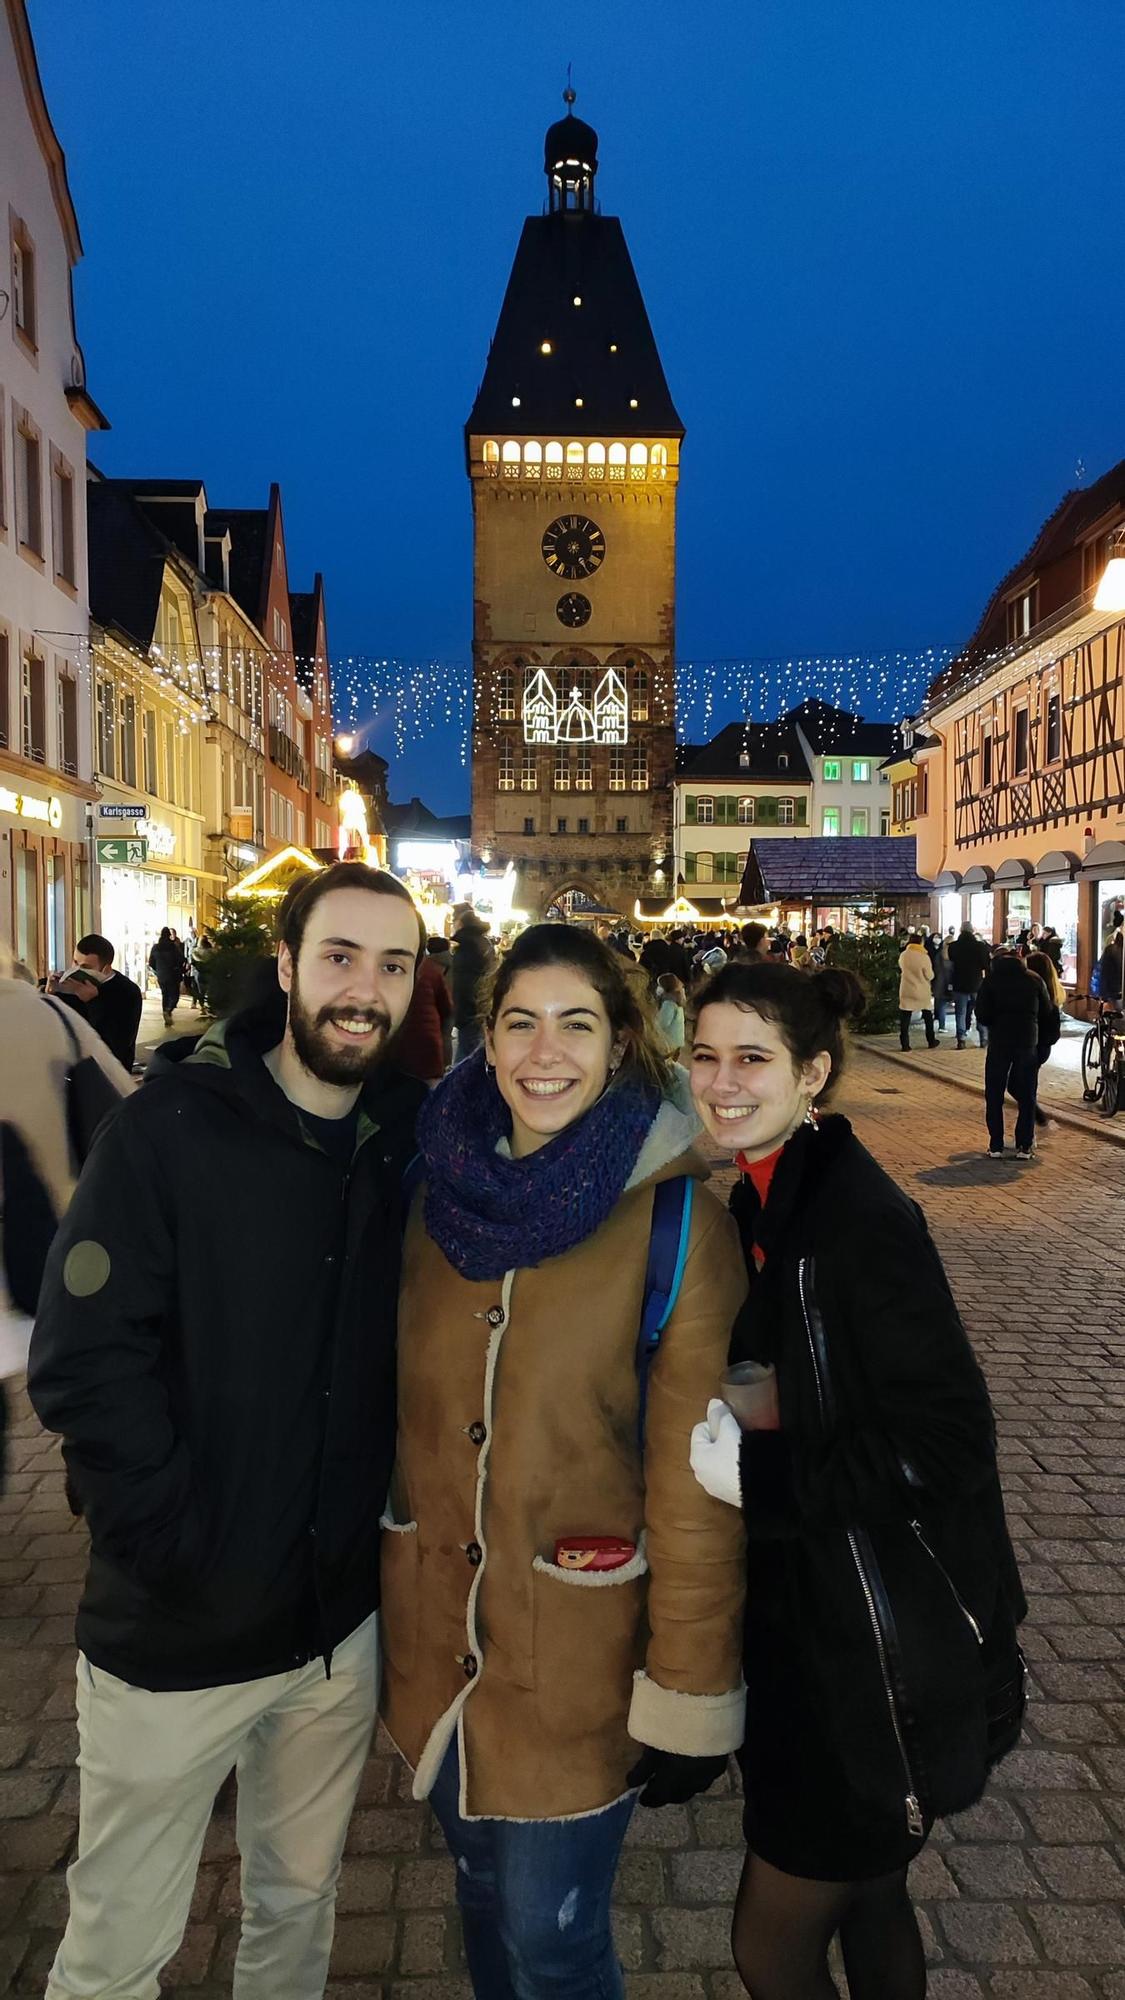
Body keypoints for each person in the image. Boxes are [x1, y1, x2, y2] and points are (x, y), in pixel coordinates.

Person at [29, 864, 427, 2000]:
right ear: (289, 967)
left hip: (332, 1633)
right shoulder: (168, 1128)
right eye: (341, 956)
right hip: (178, 1631)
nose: (366, 988)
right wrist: (170, 1539)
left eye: (393, 964)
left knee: (296, 1913)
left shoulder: (403, 1135)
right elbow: (83, 1359)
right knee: (117, 1950)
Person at [380, 924, 747, 2000]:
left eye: (577, 1024)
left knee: (553, 1941)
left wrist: (688, 1692)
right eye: (520, 1023)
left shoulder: (675, 1216)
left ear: (624, 1038)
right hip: (440, 1644)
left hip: (579, 1658)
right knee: (481, 1900)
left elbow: (697, 1494)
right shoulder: (429, 1187)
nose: (546, 1052)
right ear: (484, 1043)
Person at [686, 959, 1026, 2000]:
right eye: (704, 1054)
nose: (722, 1080)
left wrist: (762, 1473)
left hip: (859, 1658)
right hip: (822, 1622)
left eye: (753, 1057)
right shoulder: (771, 1197)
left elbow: (949, 1441)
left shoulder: (858, 1222)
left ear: (814, 1071)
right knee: (872, 1893)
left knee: (771, 1945)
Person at [1, 953, 133, 1493]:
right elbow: (125, 1107)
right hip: (61, 1247)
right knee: (87, 1381)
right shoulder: (53, 1016)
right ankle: (95, 1473)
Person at [973, 947, 1054, 1159]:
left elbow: (981, 1013)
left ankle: (996, 1145)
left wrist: (995, 1024)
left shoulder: (990, 980)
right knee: (1027, 1094)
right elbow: (1047, 1011)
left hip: (999, 1041)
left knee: (994, 1093)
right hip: (1027, 1042)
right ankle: (1025, 1146)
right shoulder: (1034, 979)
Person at [49, 934, 144, 1072]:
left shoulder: (127, 992)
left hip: (109, 1073)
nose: (77, 970)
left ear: (105, 969)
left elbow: (115, 1045)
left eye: (85, 967)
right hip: (72, 1068)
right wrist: (50, 993)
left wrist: (92, 1001)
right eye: (75, 962)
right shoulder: (69, 985)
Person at [396, 944, 453, 1085]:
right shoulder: (431, 969)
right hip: (428, 1051)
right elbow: (447, 1009)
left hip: (395, 1053)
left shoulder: (384, 967)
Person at [1025, 949, 1064, 1133]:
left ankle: (1034, 1123)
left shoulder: (1034, 991)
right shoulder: (1051, 992)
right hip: (1042, 1047)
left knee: (1019, 1085)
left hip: (1033, 1046)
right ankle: (1031, 1124)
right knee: (1025, 1084)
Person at [450, 909, 496, 1061]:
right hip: (478, 1007)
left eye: (455, 921)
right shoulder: (481, 943)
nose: (453, 923)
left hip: (470, 1010)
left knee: (466, 1057)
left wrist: (464, 1008)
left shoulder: (467, 947)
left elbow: (465, 982)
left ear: (462, 924)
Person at [948, 922, 991, 1049]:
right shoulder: (980, 946)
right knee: (980, 1010)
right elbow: (986, 965)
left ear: (961, 930)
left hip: (959, 982)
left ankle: (961, 1039)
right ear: (972, 931)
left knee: (960, 1012)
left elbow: (951, 961)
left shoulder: (953, 946)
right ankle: (983, 1038)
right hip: (976, 983)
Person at [897, 933, 937, 1051]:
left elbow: (901, 967)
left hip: (906, 989)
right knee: (927, 1016)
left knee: (905, 1017)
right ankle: (931, 1040)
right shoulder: (924, 956)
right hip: (921, 990)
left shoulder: (904, 955)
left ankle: (905, 1044)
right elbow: (929, 975)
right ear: (921, 942)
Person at [148, 926, 183, 1028]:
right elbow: (180, 959)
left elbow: (151, 962)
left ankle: (166, 1014)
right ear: (169, 935)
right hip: (172, 974)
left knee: (165, 995)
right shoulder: (173, 947)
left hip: (161, 975)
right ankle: (168, 1010)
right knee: (174, 995)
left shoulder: (155, 947)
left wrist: (158, 969)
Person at [655, 970, 686, 1060]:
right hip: (678, 1041)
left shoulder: (668, 1003)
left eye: (660, 985)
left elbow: (663, 1023)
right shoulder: (677, 999)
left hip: (669, 1043)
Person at [1096, 915, 1124, 1007]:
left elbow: (1104, 972)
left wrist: (1103, 995)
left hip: (1113, 991)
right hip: (1115, 991)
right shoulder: (1113, 949)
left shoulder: (1111, 948)